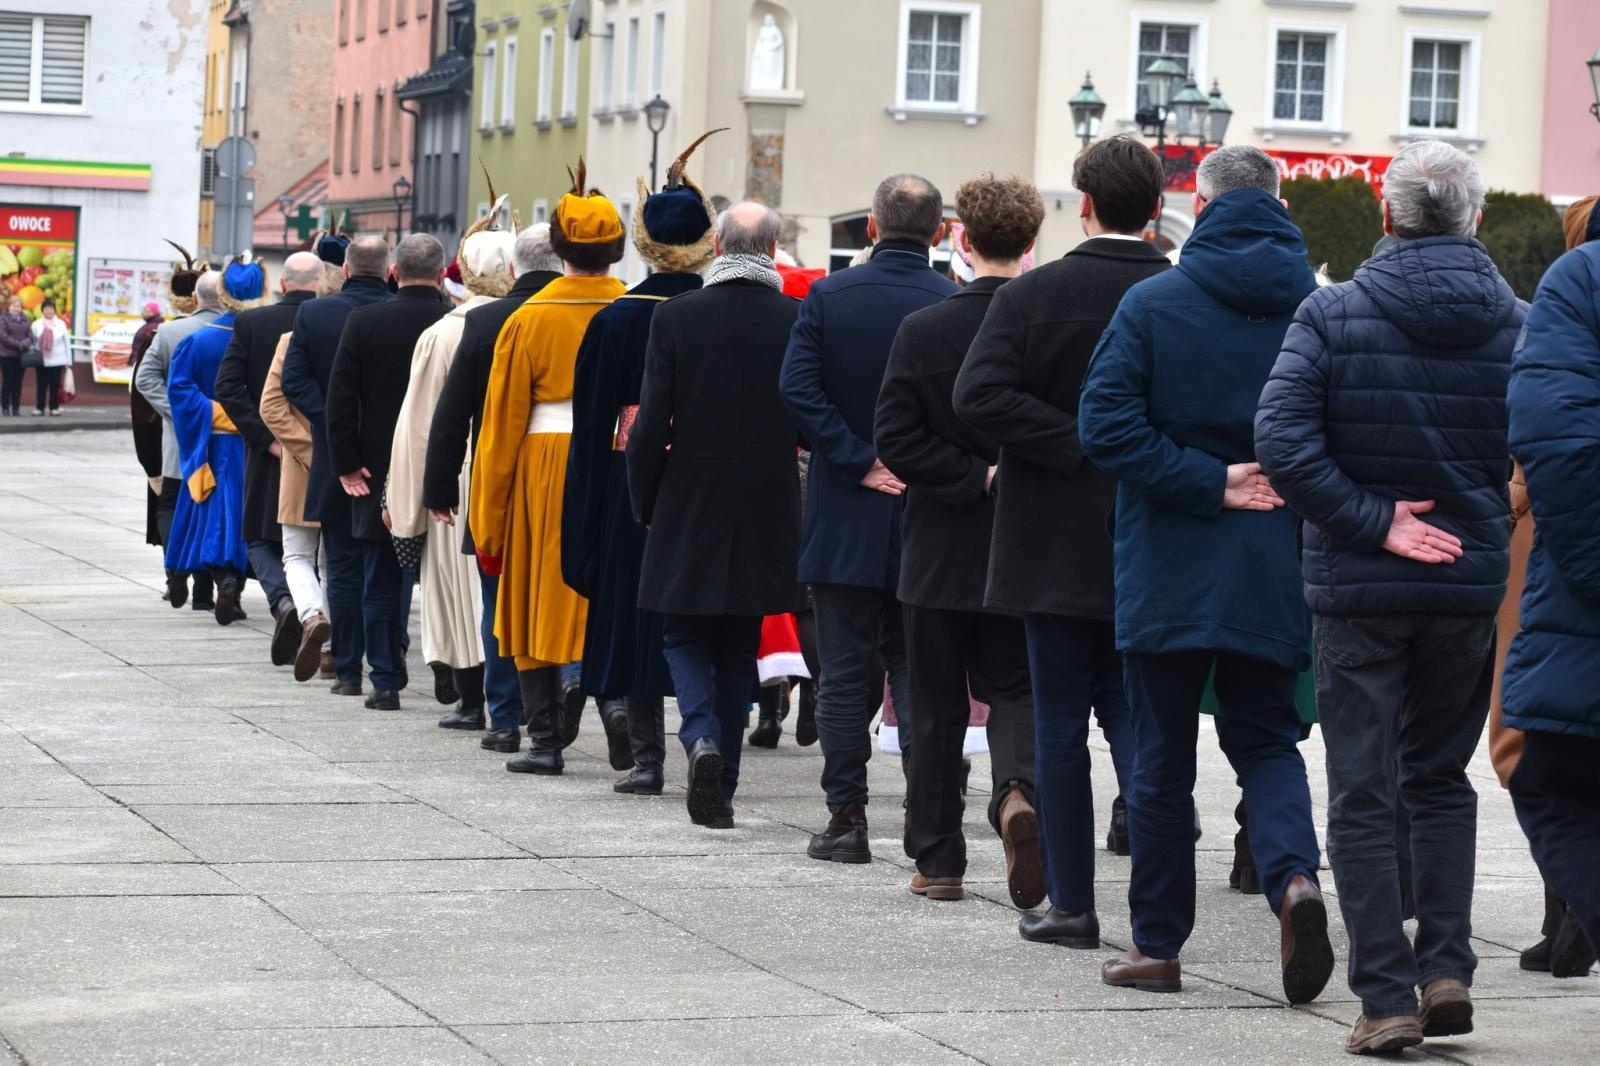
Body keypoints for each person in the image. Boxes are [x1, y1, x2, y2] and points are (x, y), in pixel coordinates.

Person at [1255, 139, 1524, 1053]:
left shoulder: (1332, 314)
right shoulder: (1520, 323)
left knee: (1362, 791)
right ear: (1476, 218)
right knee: (1442, 781)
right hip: (1464, 583)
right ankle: (1445, 965)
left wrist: (1374, 521)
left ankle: (1385, 997)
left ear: (1386, 216)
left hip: (1359, 589)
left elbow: (1282, 442)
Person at [1078, 145, 1330, 1004]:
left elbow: (1104, 428)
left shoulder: (1154, 301)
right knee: (1267, 739)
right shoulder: (1321, 309)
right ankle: (1295, 879)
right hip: (1276, 559)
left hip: (1169, 559)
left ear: (1203, 201)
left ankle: (1158, 945)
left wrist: (1206, 479)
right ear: (1281, 204)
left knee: (1159, 753)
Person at [955, 138, 1171, 938]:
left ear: (1083, 206)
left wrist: (1074, 439)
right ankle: (1155, 913)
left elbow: (977, 396)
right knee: (1145, 735)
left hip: (1049, 544)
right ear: (1155, 207)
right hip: (1153, 538)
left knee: (1059, 734)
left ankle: (1073, 905)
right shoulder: (1179, 293)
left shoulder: (1032, 295)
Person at [874, 171, 1046, 906]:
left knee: (937, 704)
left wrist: (969, 476)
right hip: (1025, 542)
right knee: (1015, 690)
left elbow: (894, 440)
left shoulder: (925, 329)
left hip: (941, 543)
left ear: (961, 241)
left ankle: (939, 858)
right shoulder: (1044, 323)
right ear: (1032, 241)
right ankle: (1016, 794)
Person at [779, 173, 957, 864]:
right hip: (928, 510)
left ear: (872, 229)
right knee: (918, 670)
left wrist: (855, 459)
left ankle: (847, 816)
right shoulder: (951, 301)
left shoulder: (829, 296)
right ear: (939, 233)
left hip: (846, 508)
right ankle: (923, 809)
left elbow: (797, 387)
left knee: (845, 673)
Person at [627, 201, 802, 827]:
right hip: (768, 489)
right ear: (775, 247)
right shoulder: (797, 317)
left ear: (719, 246)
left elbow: (651, 423)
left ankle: (698, 734)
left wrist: (643, 496)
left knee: (682, 631)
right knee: (738, 642)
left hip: (691, 485)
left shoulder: (678, 318)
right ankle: (722, 784)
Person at [564, 134, 722, 795]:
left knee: (634, 611)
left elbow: (591, 423)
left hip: (631, 485)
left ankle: (651, 758)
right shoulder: (720, 312)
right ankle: (707, 736)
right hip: (709, 483)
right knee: (699, 618)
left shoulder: (616, 318)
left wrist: (584, 515)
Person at [469, 161, 625, 775]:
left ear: (558, 248)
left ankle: (543, 741)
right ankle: (606, 696)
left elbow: (501, 428)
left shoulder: (526, 319)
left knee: (531, 595)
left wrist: (489, 515)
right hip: (615, 459)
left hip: (543, 464)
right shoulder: (637, 311)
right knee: (604, 592)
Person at [1489, 194, 1599, 979]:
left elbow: (1552, 435)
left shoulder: (1575, 285)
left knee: (1537, 752)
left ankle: (1565, 917)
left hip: (1555, 543)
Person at [425, 226, 562, 753]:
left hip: (497, 479)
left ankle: (504, 719)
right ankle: (569, 686)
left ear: (513, 269)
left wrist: (439, 488)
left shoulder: (484, 320)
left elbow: (451, 413)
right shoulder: (592, 313)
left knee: (496, 597)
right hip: (569, 477)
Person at [389, 206, 518, 731]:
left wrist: (409, 502)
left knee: (458, 590)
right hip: (517, 468)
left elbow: (419, 424)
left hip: (458, 474)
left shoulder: (444, 332)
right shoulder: (521, 317)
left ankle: (472, 699)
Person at [324, 234, 450, 711]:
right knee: (444, 576)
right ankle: (451, 668)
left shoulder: (365, 321)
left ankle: (385, 680)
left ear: (395, 270)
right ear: (441, 274)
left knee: (380, 577)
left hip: (379, 469)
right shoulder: (454, 320)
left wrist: (347, 462)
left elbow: (341, 399)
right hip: (445, 464)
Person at [280, 236, 395, 698]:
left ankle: (347, 669)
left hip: (333, 456)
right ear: (389, 270)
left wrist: (331, 416)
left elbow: (293, 380)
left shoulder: (315, 313)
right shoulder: (403, 312)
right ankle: (389, 662)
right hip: (391, 457)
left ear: (344, 270)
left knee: (342, 567)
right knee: (389, 568)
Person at [215, 251, 324, 668]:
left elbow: (228, 388)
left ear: (281, 284)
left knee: (260, 537)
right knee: (314, 543)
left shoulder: (251, 323)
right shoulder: (334, 319)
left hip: (270, 450)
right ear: (323, 282)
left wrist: (266, 439)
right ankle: (314, 617)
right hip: (322, 447)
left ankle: (283, 603)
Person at [164, 258, 271, 623]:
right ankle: (230, 583)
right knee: (242, 513)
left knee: (206, 509)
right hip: (255, 442)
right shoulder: (269, 338)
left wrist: (213, 413)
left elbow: (178, 390)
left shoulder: (198, 341)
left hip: (211, 442)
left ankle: (191, 574)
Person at [259, 265, 344, 684]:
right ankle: (329, 650)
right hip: (346, 464)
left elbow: (271, 406)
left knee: (295, 553)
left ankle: (311, 616)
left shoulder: (291, 341)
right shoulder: (356, 334)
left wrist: (311, 451)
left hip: (302, 466)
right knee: (330, 559)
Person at [136, 258, 221, 611]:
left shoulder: (170, 331)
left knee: (170, 504)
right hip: (223, 437)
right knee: (211, 508)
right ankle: (204, 592)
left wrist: (176, 410)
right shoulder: (237, 329)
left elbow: (144, 379)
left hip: (180, 438)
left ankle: (175, 571)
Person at [127, 302, 166, 549]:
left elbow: (142, 397)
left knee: (168, 506)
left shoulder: (160, 335)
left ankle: (175, 579)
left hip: (167, 444)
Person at [30, 299, 70, 416]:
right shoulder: (36, 324)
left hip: (58, 360)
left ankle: (54, 407)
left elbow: (66, 343)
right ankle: (39, 407)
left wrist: (68, 361)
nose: (49, 311)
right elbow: (32, 342)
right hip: (42, 360)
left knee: (55, 385)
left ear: (54, 310)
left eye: (51, 308)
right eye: (47, 308)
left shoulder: (61, 324)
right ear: (42, 310)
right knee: (41, 384)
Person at [0, 294, 31, 416]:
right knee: (8, 381)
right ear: (9, 306)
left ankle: (16, 408)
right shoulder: (3, 319)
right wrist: (18, 344)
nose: (17, 308)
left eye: (19, 306)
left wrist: (25, 343)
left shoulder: (25, 318)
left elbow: (30, 335)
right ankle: (5, 407)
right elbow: (3, 336)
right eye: (14, 306)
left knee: (18, 382)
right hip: (6, 355)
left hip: (20, 356)